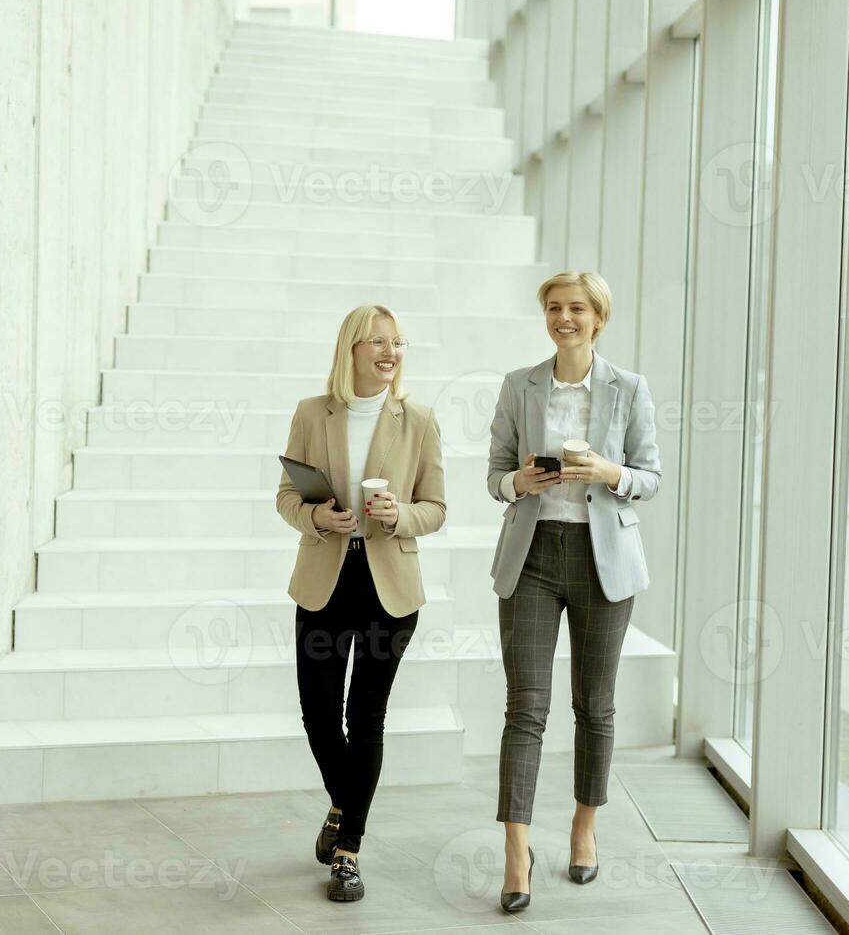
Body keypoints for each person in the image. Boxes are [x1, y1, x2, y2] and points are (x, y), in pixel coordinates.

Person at [485, 270, 662, 913]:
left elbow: (650, 476)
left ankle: (584, 829)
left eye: (577, 309)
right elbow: (494, 476)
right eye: (555, 308)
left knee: (596, 705)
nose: (565, 318)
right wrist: (520, 484)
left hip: (602, 559)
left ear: (598, 319)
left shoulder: (630, 389)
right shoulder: (518, 386)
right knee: (525, 707)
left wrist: (608, 471)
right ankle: (515, 850)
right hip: (531, 555)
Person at [275, 304, 447, 903]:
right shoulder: (311, 414)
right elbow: (286, 496)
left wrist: (401, 515)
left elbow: (437, 508)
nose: (388, 352)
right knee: (319, 715)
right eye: (376, 341)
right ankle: (345, 805)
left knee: (365, 716)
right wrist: (315, 514)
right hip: (325, 578)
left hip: (387, 589)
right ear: (350, 349)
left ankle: (348, 850)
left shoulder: (418, 421)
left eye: (396, 342)